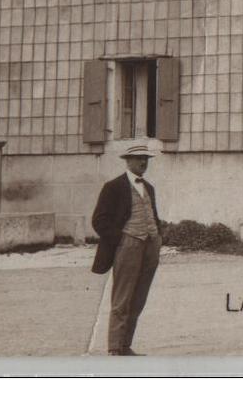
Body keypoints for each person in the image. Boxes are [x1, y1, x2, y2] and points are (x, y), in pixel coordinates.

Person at [91, 140, 163, 356]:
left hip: (151, 245)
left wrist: (158, 236)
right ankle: (114, 347)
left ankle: (125, 345)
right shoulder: (113, 187)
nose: (143, 162)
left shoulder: (148, 187)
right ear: (128, 161)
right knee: (122, 297)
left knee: (139, 298)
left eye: (146, 158)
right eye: (139, 158)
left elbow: (153, 215)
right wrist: (121, 239)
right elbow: (99, 221)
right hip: (128, 245)